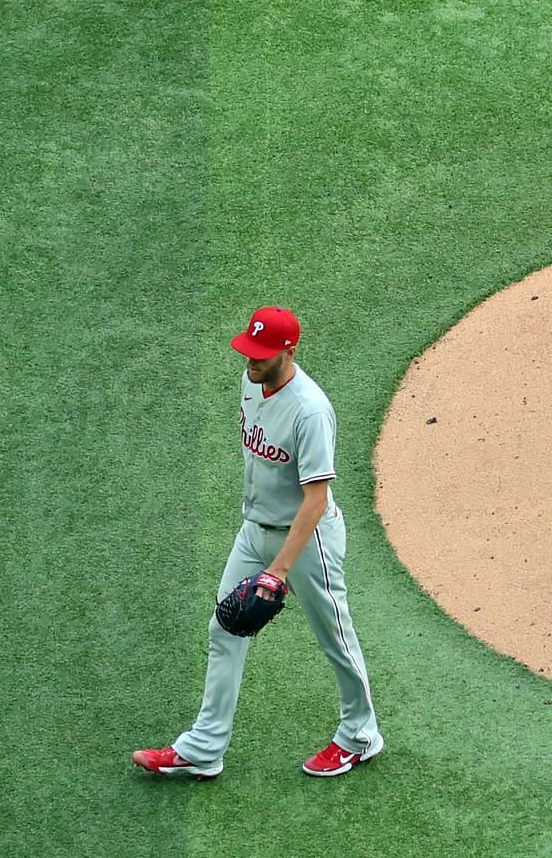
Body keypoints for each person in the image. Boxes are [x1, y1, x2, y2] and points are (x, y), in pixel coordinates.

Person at [133, 307, 384, 778]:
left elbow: (315, 499)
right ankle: (204, 748)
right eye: (250, 350)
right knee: (225, 628)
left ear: (289, 351)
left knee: (335, 637)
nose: (252, 361)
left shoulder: (310, 411)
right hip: (254, 530)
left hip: (308, 542)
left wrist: (279, 570)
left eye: (263, 355)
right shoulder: (251, 380)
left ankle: (360, 735)